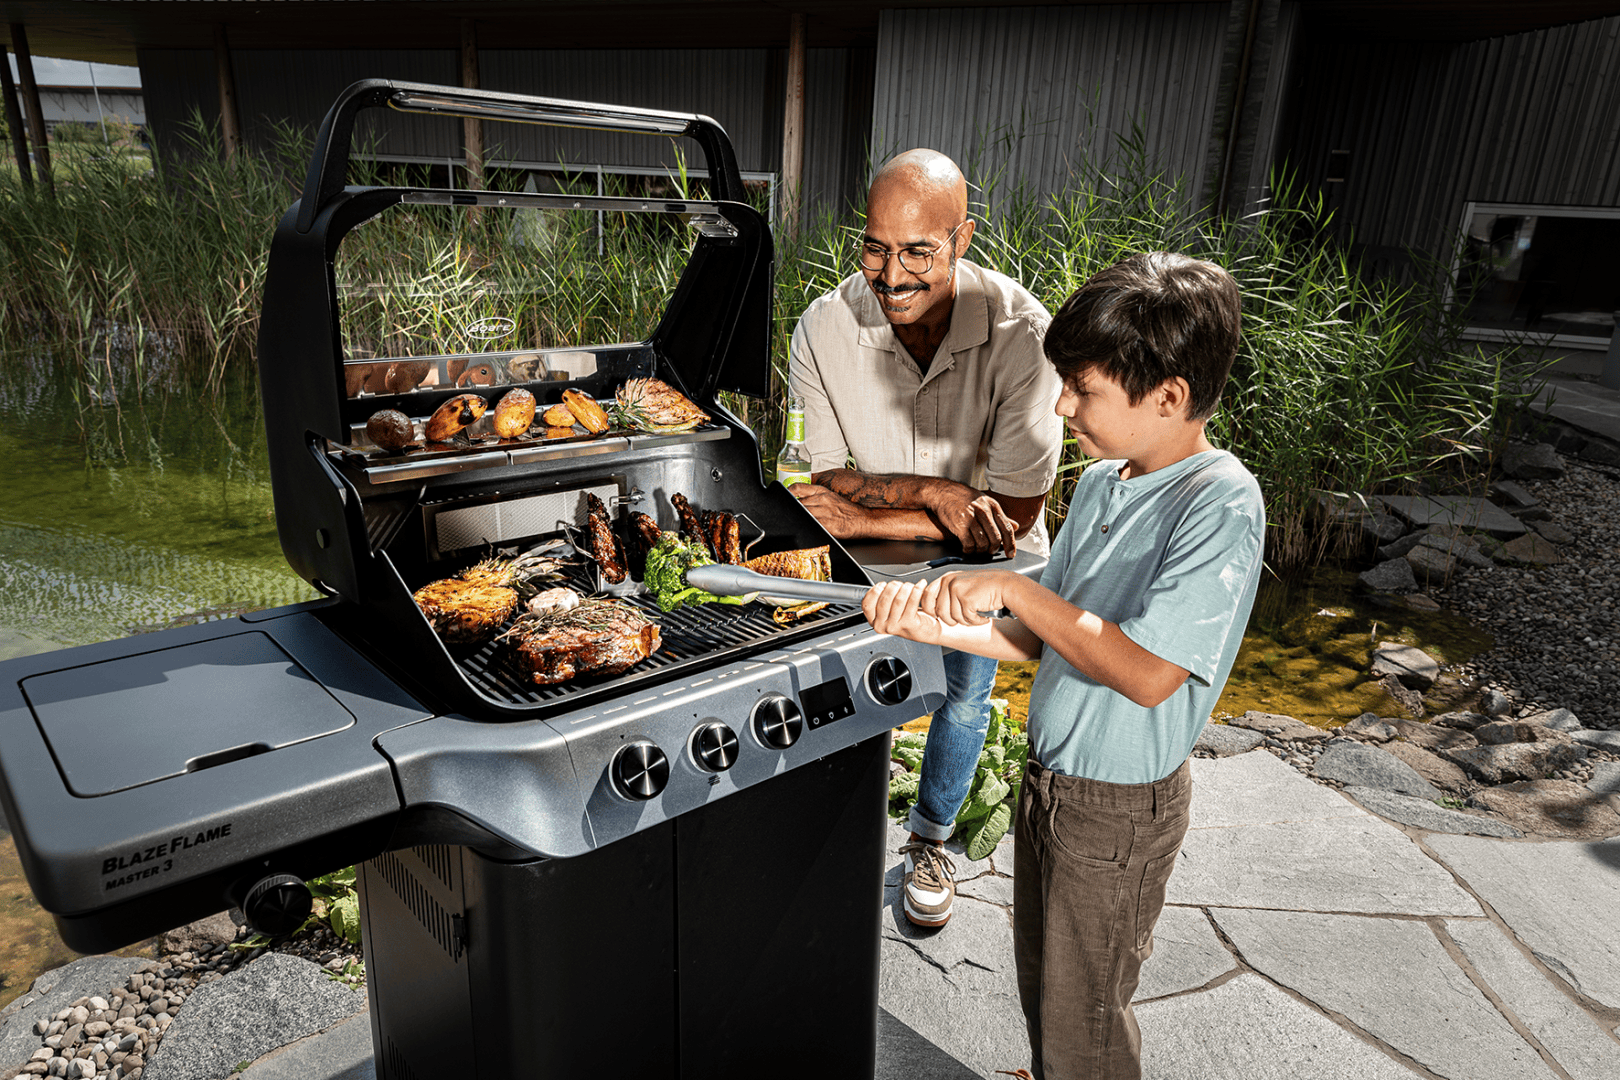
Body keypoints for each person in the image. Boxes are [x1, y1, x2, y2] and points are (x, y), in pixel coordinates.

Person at [862, 251, 1265, 1080]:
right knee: (1046, 993)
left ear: (1170, 396)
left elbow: (1148, 671)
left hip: (1118, 815)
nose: (1061, 404)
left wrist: (1009, 583)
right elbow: (1040, 639)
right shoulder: (1104, 484)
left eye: (1083, 389)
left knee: (1087, 1023)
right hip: (1049, 786)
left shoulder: (1219, 500)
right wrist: (935, 620)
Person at [787, 148, 1063, 929]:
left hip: (996, 561)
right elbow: (824, 489)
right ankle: (827, 844)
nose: (891, 271)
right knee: (834, 685)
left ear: (962, 237)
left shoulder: (1025, 334)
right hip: (868, 560)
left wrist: (895, 509)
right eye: (875, 246)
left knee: (967, 693)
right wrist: (942, 497)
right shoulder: (822, 326)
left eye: (917, 251)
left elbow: (1006, 516)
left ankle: (930, 839)